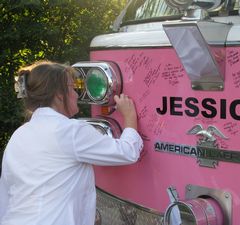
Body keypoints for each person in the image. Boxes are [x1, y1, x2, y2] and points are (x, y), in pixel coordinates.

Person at [0, 60, 143, 225]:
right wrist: (129, 116)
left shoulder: (19, 135)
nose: (76, 94)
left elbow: (6, 194)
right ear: (59, 95)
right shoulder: (69, 131)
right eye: (73, 88)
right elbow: (127, 152)